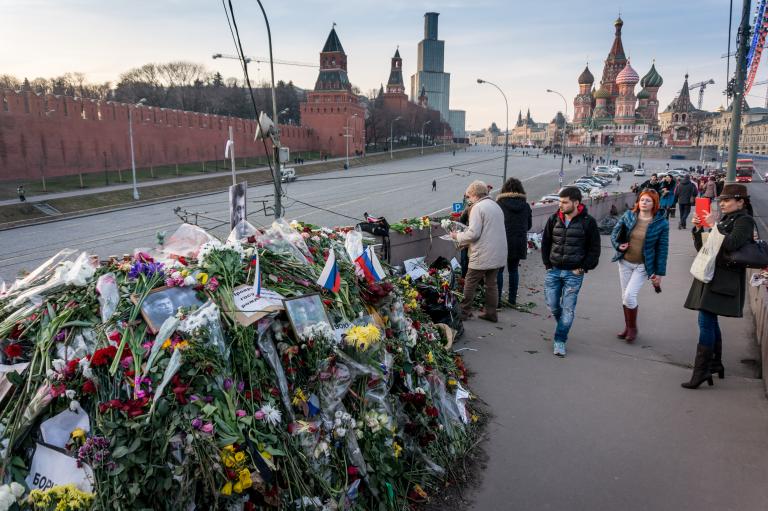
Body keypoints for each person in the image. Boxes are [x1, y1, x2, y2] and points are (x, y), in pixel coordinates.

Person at [682, 184, 755, 389]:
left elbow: (731, 244)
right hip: (711, 274)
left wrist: (715, 225)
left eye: (727, 200)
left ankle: (702, 370)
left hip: (725, 278)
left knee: (705, 319)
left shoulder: (745, 221)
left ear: (740, 202)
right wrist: (699, 229)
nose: (722, 204)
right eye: (721, 200)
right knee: (709, 319)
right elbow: (704, 248)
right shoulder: (726, 219)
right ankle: (714, 364)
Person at [541, 187, 601, 357]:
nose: (561, 205)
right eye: (560, 201)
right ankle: (563, 325)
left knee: (568, 309)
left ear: (576, 202)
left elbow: (594, 249)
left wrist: (584, 267)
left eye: (565, 202)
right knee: (552, 305)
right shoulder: (554, 219)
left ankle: (560, 340)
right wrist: (547, 264)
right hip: (553, 271)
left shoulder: (588, 222)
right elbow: (546, 242)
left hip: (573, 273)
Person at [610, 190, 669, 343]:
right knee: (625, 297)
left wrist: (659, 274)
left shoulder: (661, 223)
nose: (644, 202)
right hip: (624, 262)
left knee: (630, 295)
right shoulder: (629, 215)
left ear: (654, 204)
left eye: (648, 200)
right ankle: (628, 327)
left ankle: (633, 328)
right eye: (642, 199)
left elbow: (663, 249)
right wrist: (618, 245)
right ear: (638, 201)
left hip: (643, 266)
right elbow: (615, 233)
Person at [451, 181, 507, 322]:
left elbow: (473, 234)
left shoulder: (478, 207)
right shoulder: (495, 205)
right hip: (498, 252)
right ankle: (491, 313)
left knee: (470, 281)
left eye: (469, 196)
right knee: (491, 284)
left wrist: (456, 236)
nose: (468, 200)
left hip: (483, 253)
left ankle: (464, 312)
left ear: (475, 195)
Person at [495, 178, 533, 305]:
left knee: (499, 271)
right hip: (518, 242)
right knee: (513, 270)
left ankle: (497, 301)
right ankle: (512, 300)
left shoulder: (499, 204)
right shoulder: (525, 206)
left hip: (502, 241)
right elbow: (529, 226)